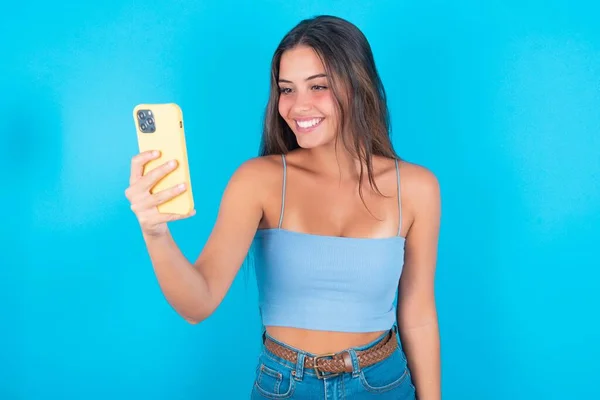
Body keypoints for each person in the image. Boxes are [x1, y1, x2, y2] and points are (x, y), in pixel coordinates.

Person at [125, 15, 441, 400]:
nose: (297, 106)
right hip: (286, 385)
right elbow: (198, 303)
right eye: (286, 89)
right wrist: (155, 232)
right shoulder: (258, 181)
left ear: (358, 85)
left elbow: (419, 314)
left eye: (318, 86)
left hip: (383, 382)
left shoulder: (417, 188)